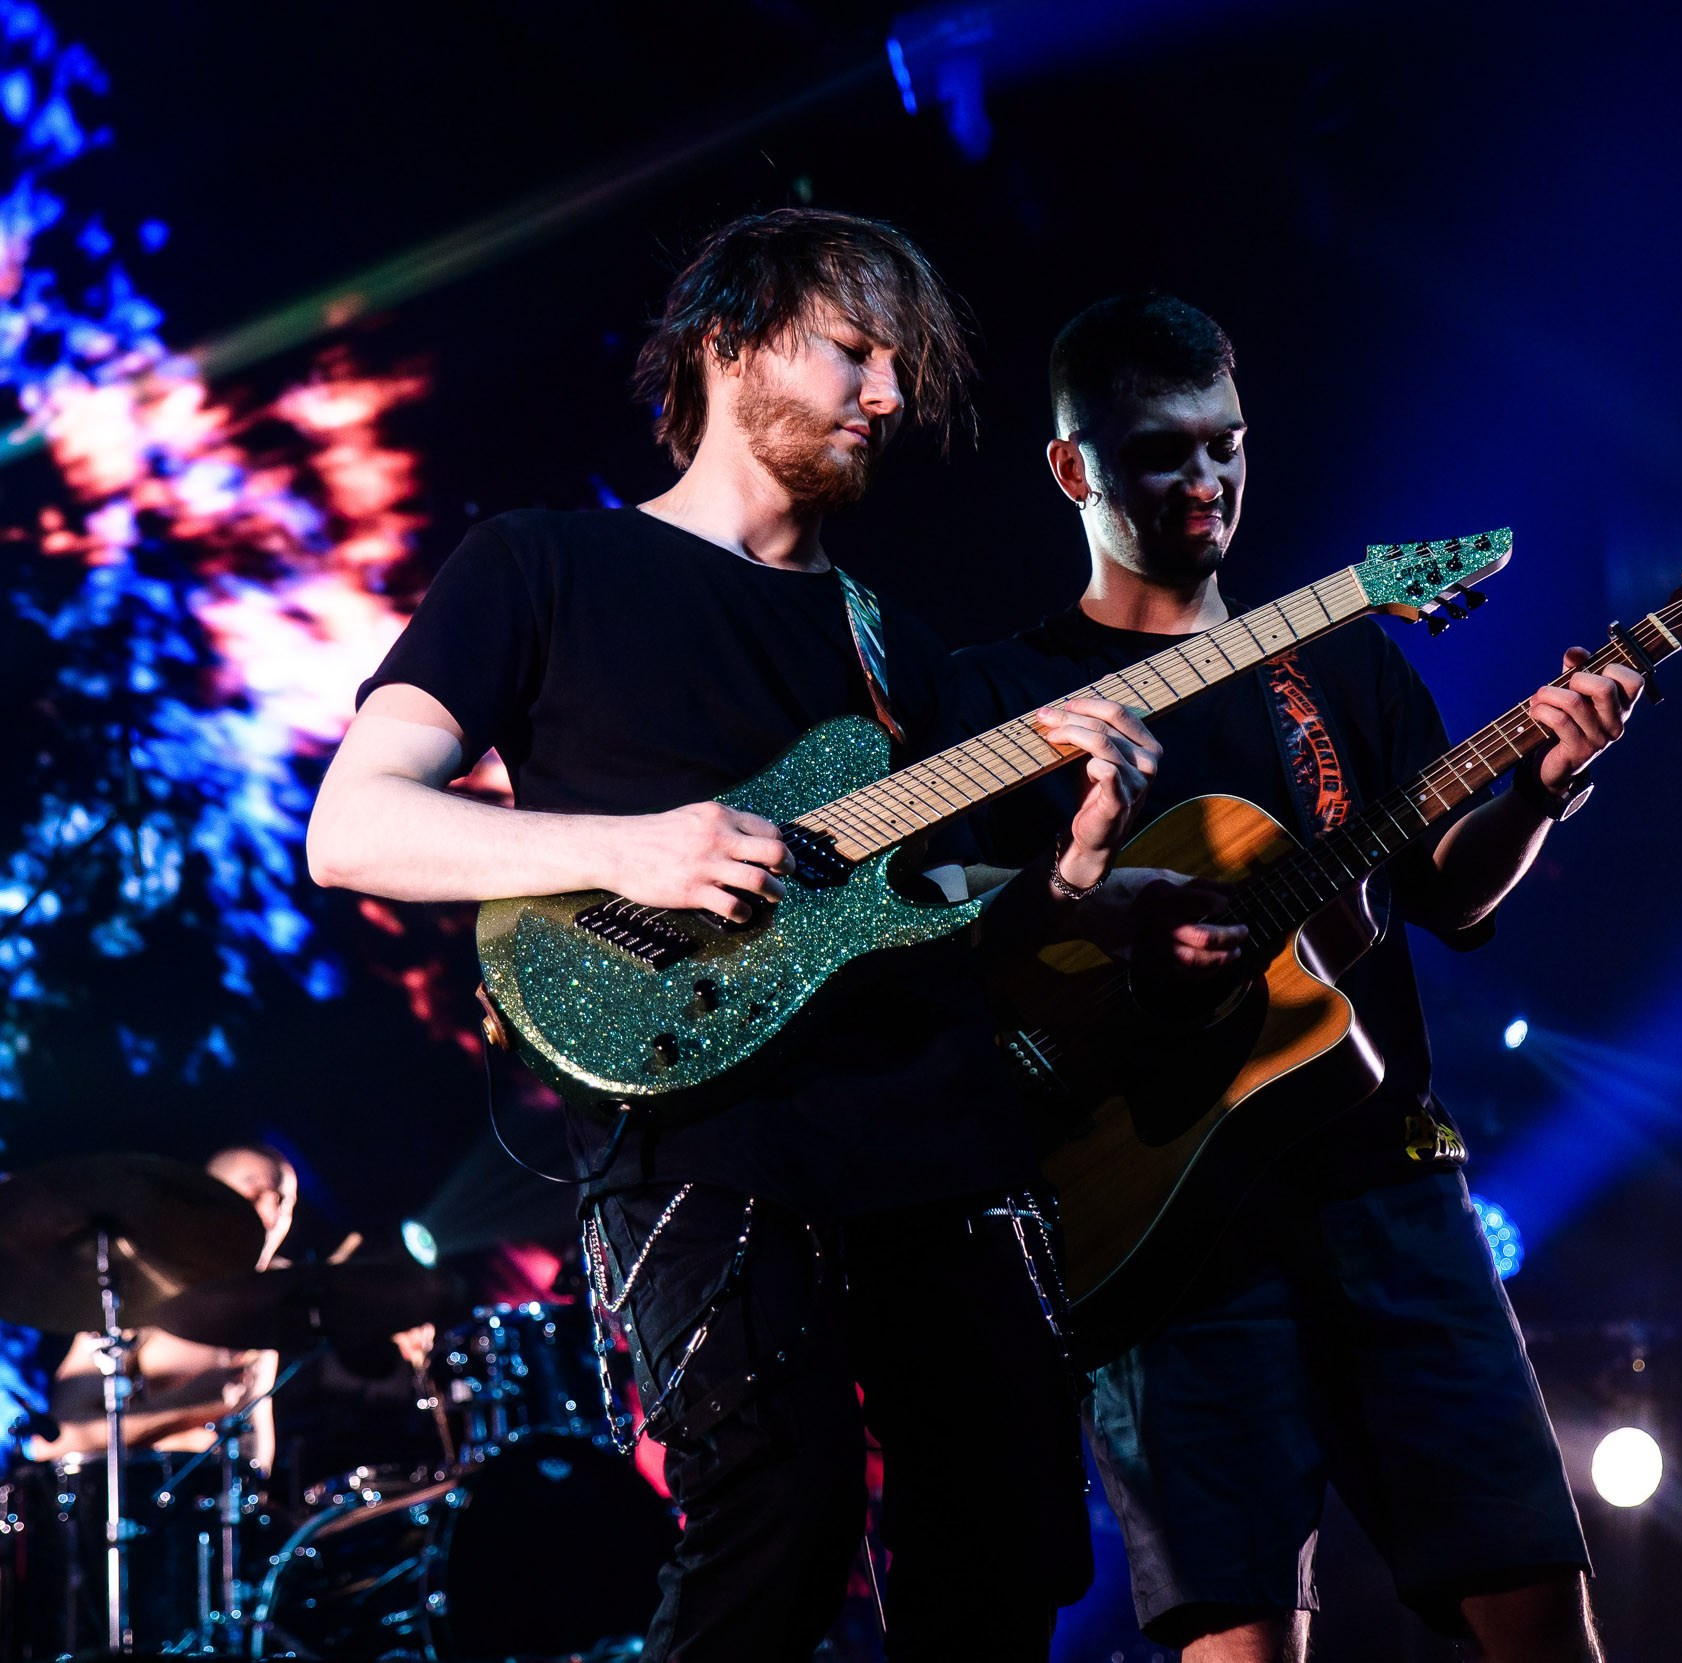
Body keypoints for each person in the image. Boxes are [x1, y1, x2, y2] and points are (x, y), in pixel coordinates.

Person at [306, 211, 1224, 1662]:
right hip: (701, 1132)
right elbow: (354, 825)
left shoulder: (893, 646)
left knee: (1009, 1539)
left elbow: (950, 925)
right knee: (776, 1524)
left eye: (898, 371)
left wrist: (1081, 877)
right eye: (855, 353)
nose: (888, 398)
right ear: (731, 342)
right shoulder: (540, 566)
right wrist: (637, 847)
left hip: (941, 1138)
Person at [939, 294, 1645, 1663]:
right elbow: (969, 946)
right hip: (1155, 1232)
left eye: (1225, 446)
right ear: (1072, 468)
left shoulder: (1336, 656)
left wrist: (1547, 789)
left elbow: (1443, 891)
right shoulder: (1002, 697)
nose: (1206, 483)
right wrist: (1121, 932)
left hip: (1388, 1186)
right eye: (1162, 453)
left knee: (1544, 1618)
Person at [33, 1145, 298, 1468]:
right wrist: (190, 1405)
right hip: (154, 1511)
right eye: (253, 1193)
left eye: (282, 1202)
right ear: (208, 1201)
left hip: (242, 1507)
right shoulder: (141, 1296)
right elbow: (58, 1439)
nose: (271, 1216)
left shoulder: (278, 1300)